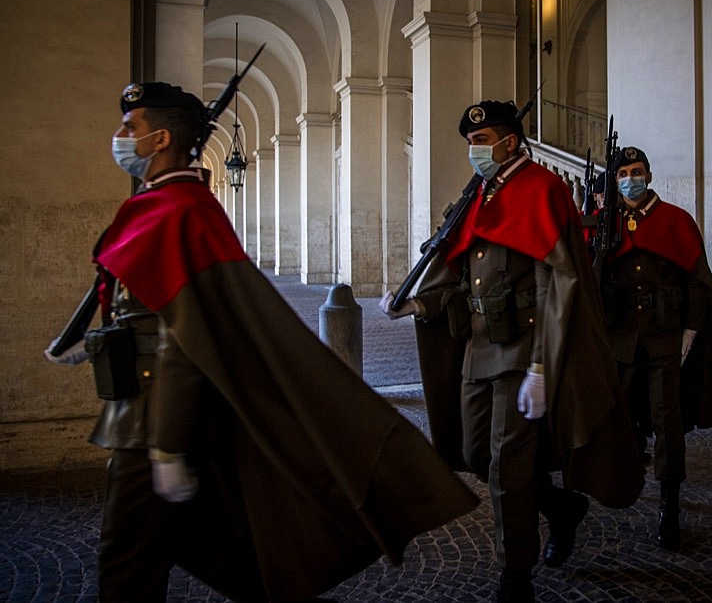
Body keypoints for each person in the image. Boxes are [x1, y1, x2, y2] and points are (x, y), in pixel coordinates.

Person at [46, 81, 478, 602]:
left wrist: (164, 443)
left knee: (127, 561)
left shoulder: (181, 210)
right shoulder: (166, 204)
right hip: (144, 407)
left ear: (160, 139)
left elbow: (183, 338)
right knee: (179, 551)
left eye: (130, 128)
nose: (119, 137)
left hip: (152, 414)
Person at [381, 100, 644, 603]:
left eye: (482, 141)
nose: (474, 150)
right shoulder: (482, 192)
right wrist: (419, 302)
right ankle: (560, 508)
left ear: (510, 142)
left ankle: (515, 575)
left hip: (524, 348)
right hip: (478, 347)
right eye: (471, 143)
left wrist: (542, 366)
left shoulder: (540, 190)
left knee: (507, 465)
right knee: (476, 452)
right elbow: (461, 273)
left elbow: (558, 286)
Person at [597, 146, 712, 551]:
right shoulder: (608, 223)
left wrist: (691, 330)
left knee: (668, 423)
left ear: (649, 176)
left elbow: (697, 283)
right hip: (619, 338)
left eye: (636, 172)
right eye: (622, 174)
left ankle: (669, 506)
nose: (629, 180)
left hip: (663, 338)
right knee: (617, 414)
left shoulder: (676, 221)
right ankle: (621, 478)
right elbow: (592, 275)